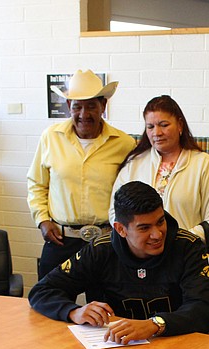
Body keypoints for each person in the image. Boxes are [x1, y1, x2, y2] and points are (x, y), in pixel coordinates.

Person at [28, 181, 209, 343]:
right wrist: (73, 312)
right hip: (114, 348)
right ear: (120, 229)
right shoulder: (100, 250)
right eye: (144, 228)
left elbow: (203, 311)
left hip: (176, 346)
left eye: (160, 222)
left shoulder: (188, 247)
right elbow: (42, 291)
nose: (157, 234)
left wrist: (154, 325)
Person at [27, 69, 135, 279]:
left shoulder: (124, 143)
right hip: (60, 239)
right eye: (77, 106)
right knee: (47, 302)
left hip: (106, 242)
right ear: (69, 107)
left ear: (103, 106)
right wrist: (42, 220)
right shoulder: (50, 137)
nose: (84, 114)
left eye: (91, 106)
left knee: (105, 307)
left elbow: (129, 194)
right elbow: (36, 184)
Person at [110, 95, 209, 244]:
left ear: (180, 125)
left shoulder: (203, 163)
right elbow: (115, 212)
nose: (157, 133)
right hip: (140, 255)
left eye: (164, 125)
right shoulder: (134, 163)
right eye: (150, 127)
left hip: (185, 253)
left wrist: (176, 242)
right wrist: (139, 240)